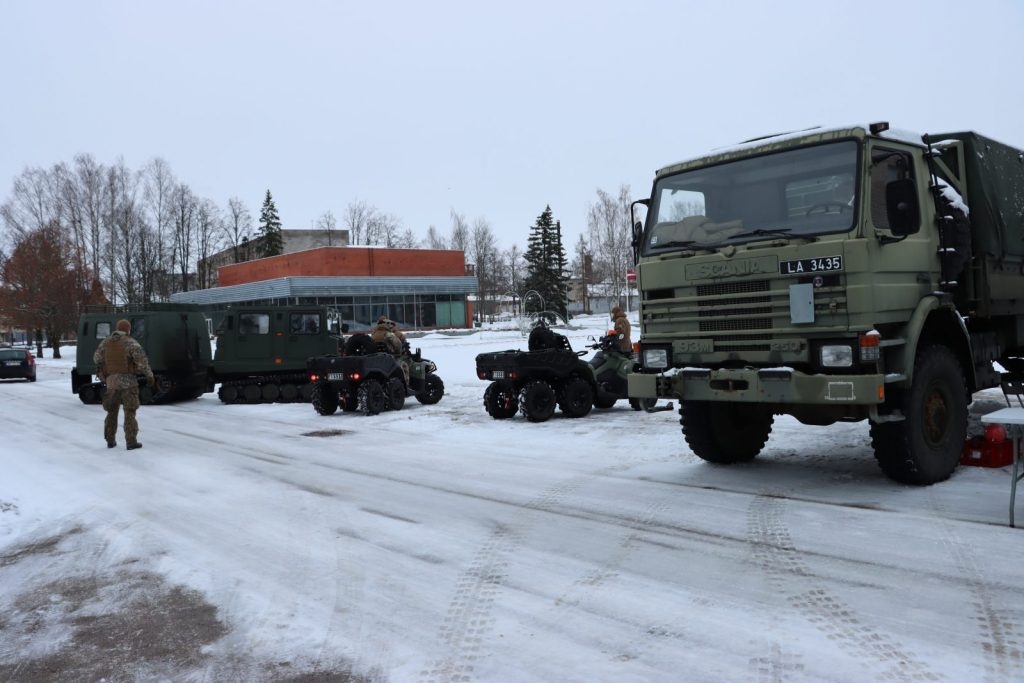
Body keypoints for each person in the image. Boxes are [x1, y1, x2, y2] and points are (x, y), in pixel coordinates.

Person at [93, 319, 154, 450]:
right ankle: (131, 442)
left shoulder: (105, 343)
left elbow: (96, 358)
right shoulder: (131, 342)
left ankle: (110, 440)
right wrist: (149, 376)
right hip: (129, 383)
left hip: (111, 383)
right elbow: (142, 362)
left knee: (111, 412)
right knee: (130, 411)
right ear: (128, 329)